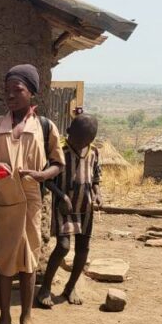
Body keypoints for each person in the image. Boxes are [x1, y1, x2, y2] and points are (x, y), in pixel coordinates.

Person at [0, 64, 63, 324]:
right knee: (4, 260)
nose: (10, 96)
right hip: (5, 200)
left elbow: (57, 164)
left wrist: (41, 175)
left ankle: (26, 320)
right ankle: (4, 319)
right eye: (7, 91)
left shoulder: (44, 127)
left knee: (29, 261)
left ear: (32, 93)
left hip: (31, 201)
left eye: (17, 90)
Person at [37, 114, 102, 308]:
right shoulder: (60, 152)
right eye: (78, 139)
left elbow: (97, 178)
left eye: (86, 141)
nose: (81, 144)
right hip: (64, 207)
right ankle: (45, 287)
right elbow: (47, 179)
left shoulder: (94, 153)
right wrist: (62, 196)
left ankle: (70, 286)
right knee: (63, 246)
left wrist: (98, 194)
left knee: (83, 249)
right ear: (68, 132)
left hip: (85, 206)